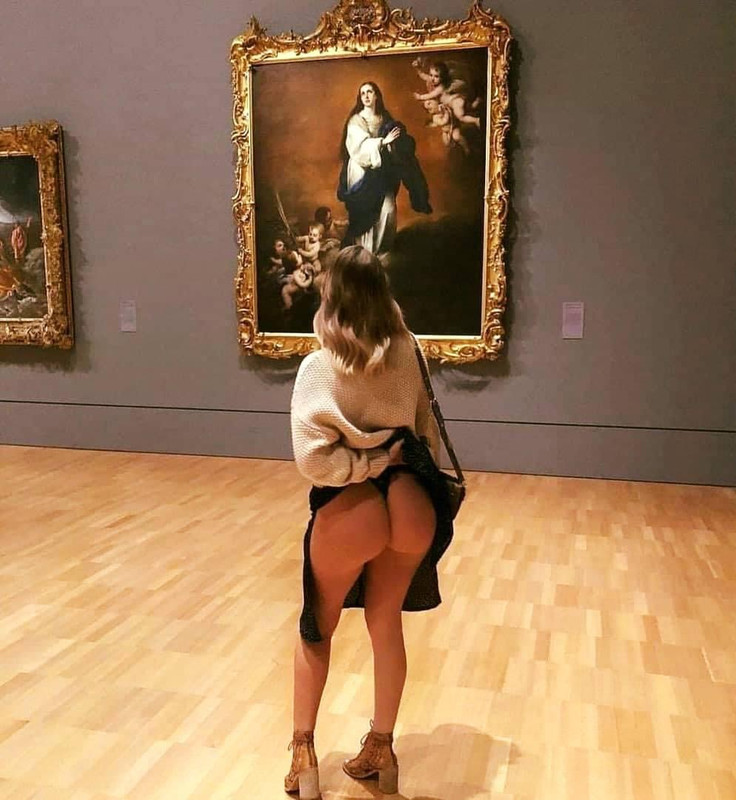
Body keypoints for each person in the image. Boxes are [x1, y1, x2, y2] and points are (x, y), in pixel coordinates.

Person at [286, 245, 455, 799]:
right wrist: (394, 463)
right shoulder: (410, 350)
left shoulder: (318, 366)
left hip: (351, 507)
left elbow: (315, 461)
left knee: (317, 628)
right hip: (411, 503)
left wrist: (367, 465)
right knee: (386, 623)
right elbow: (424, 434)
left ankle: (304, 758)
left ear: (329, 295)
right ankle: (381, 750)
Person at [337, 82, 431, 255]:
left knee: (388, 209)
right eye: (363, 93)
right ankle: (365, 252)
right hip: (361, 170)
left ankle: (380, 252)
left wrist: (395, 145)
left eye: (369, 92)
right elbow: (358, 149)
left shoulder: (385, 119)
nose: (366, 96)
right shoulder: (356, 120)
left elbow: (396, 144)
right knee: (366, 211)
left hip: (381, 171)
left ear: (376, 96)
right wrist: (383, 142)